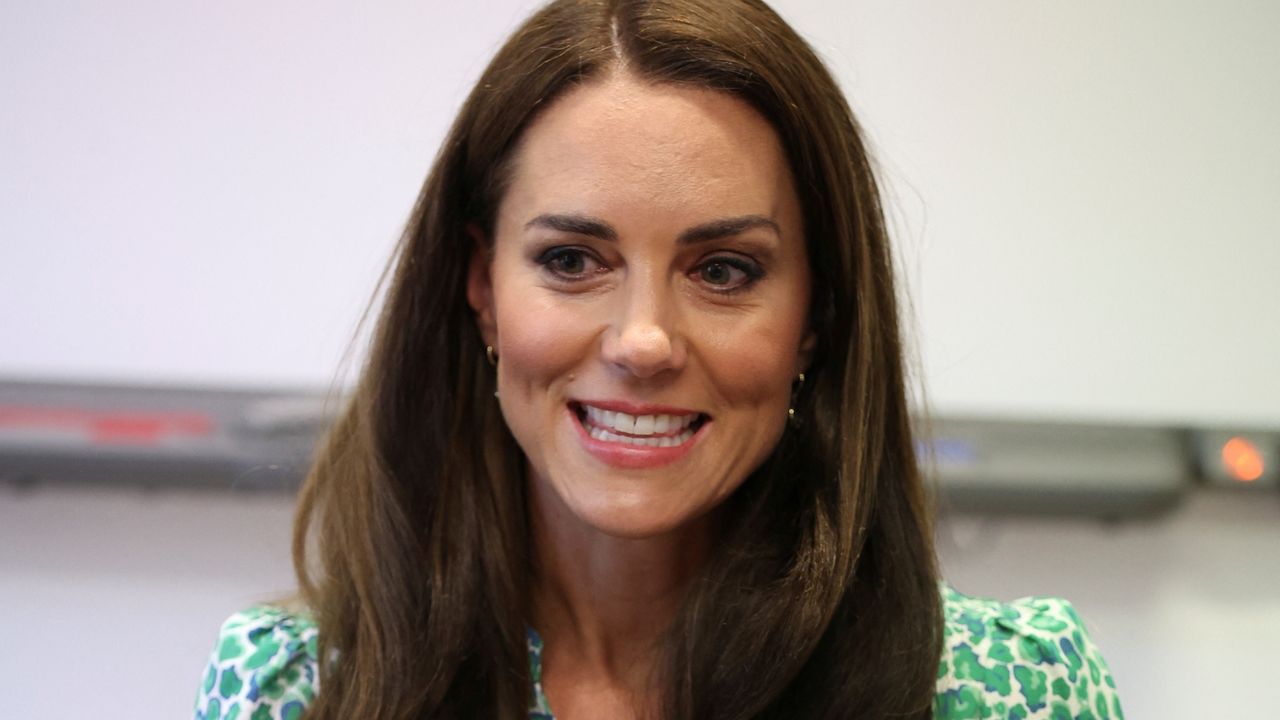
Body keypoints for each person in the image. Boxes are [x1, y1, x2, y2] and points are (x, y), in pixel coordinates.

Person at [195, 1, 1123, 718]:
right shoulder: (294, 690)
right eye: (571, 262)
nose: (643, 341)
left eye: (723, 270)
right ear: (481, 285)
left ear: (817, 316)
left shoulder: (1016, 689)